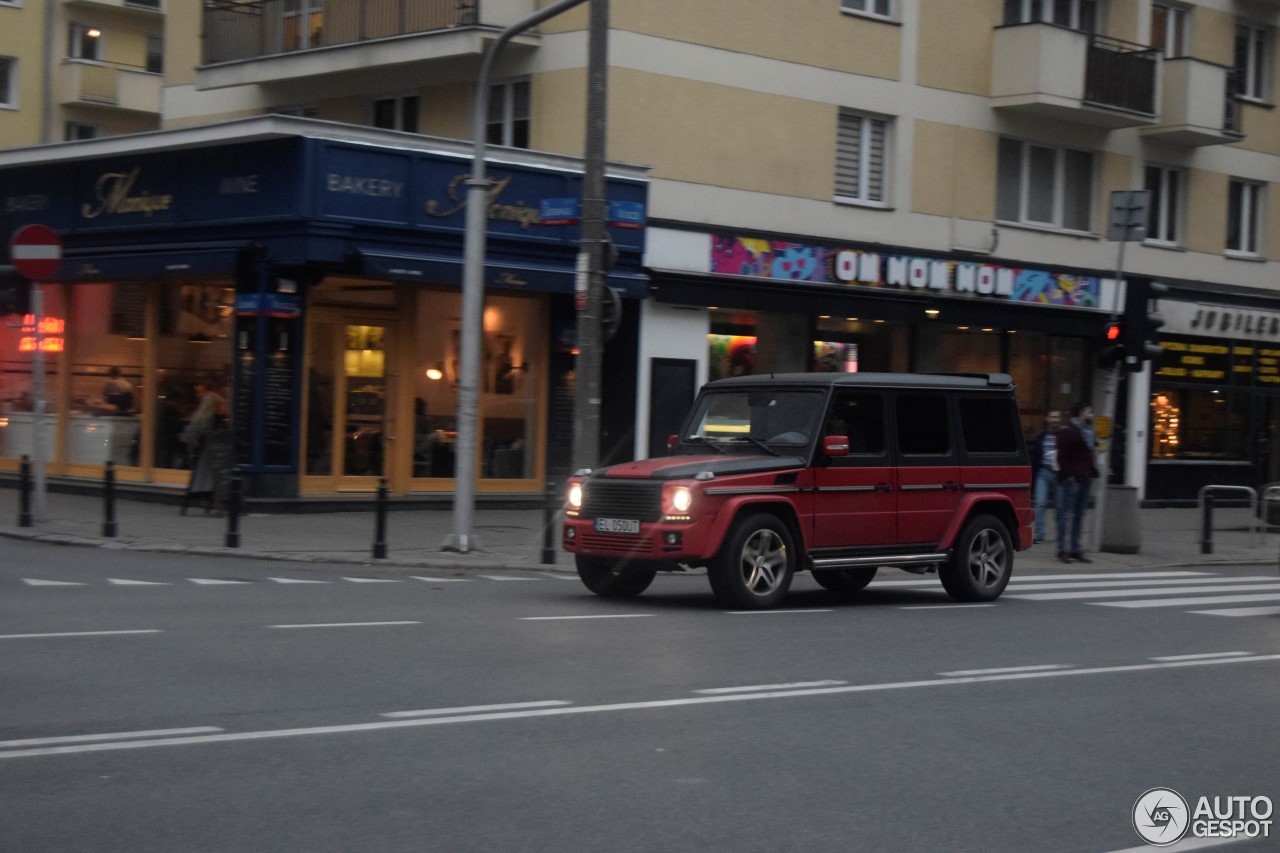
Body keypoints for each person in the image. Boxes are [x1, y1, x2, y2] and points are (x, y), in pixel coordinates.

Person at [1056, 402, 1098, 563]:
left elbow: (1089, 453)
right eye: (1089, 411)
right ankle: (1062, 549)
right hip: (1072, 478)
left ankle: (1075, 548)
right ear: (1082, 413)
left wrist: (1092, 470)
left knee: (1079, 515)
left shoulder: (1088, 431)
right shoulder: (1068, 432)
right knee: (1066, 515)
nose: (1091, 415)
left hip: (1084, 477)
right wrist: (1068, 474)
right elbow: (1062, 455)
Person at [1028, 408, 1062, 544]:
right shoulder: (1041, 437)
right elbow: (1035, 457)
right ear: (1047, 419)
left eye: (1057, 417)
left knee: (1060, 505)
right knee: (1040, 503)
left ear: (1060, 419)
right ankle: (1039, 533)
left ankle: (1060, 533)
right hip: (1044, 471)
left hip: (1059, 473)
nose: (1054, 420)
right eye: (1052, 417)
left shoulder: (1063, 436)